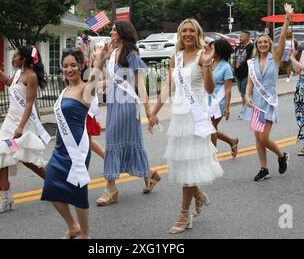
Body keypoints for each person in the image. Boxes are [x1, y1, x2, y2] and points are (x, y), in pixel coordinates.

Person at [149, 18, 223, 234]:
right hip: (179, 119)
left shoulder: (203, 55)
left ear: (197, 33)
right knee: (183, 164)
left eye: (191, 30)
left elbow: (209, 90)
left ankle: (184, 213)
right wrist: (154, 112)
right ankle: (198, 194)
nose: (188, 34)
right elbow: (168, 87)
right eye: (184, 31)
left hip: (196, 119)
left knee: (188, 165)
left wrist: (208, 65)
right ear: (180, 34)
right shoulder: (177, 57)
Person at [41, 46, 110, 239]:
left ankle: (85, 235)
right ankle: (72, 226)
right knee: (50, 188)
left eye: (73, 65)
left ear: (81, 66)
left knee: (78, 192)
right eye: (65, 66)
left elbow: (95, 78)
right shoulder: (66, 90)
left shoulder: (85, 89)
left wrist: (101, 60)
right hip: (61, 147)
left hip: (77, 148)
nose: (69, 69)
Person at [95, 20, 160, 206]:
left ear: (123, 33)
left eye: (114, 29)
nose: (111, 32)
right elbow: (111, 82)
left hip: (127, 105)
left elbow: (140, 84)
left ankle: (110, 189)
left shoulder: (132, 55)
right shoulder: (112, 53)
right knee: (121, 141)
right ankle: (150, 174)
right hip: (114, 105)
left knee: (113, 141)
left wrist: (148, 110)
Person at [0, 46, 49, 213]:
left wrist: (21, 127)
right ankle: (6, 199)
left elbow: (29, 104)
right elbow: (8, 82)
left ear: (23, 59)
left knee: (26, 160)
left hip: (21, 123)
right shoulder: (17, 74)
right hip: (10, 123)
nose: (12, 58)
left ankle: (53, 183)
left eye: (15, 56)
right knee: (1, 155)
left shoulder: (31, 76)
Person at [241, 4, 292, 182]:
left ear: (269, 44)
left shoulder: (275, 57)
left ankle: (281, 155)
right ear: (256, 45)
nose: (263, 44)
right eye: (260, 42)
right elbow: (249, 83)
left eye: (265, 42)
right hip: (255, 102)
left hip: (269, 102)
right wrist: (246, 96)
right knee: (257, 137)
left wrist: (287, 18)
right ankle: (264, 168)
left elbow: (283, 37)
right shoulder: (252, 62)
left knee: (264, 137)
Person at [206, 39, 239, 158]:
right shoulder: (210, 63)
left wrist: (227, 107)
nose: (210, 50)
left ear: (219, 50)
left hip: (219, 101)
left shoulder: (226, 67)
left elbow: (228, 89)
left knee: (211, 127)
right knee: (208, 127)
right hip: (207, 99)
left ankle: (212, 155)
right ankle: (232, 141)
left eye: (212, 48)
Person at [233, 31, 254, 115]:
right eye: (240, 36)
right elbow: (234, 58)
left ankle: (245, 111)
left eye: (242, 36)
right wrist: (233, 68)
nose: (240, 38)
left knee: (244, 93)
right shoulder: (237, 47)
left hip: (246, 73)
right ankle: (247, 109)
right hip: (238, 74)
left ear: (247, 38)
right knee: (242, 93)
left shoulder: (251, 47)